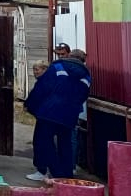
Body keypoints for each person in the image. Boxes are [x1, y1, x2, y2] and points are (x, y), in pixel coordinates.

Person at [24, 50, 91, 182]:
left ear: (69, 56)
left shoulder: (57, 66)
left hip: (49, 112)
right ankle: (66, 176)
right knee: (65, 144)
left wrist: (30, 105)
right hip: (70, 115)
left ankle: (51, 172)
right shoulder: (87, 76)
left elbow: (42, 87)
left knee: (43, 141)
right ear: (83, 61)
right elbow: (83, 96)